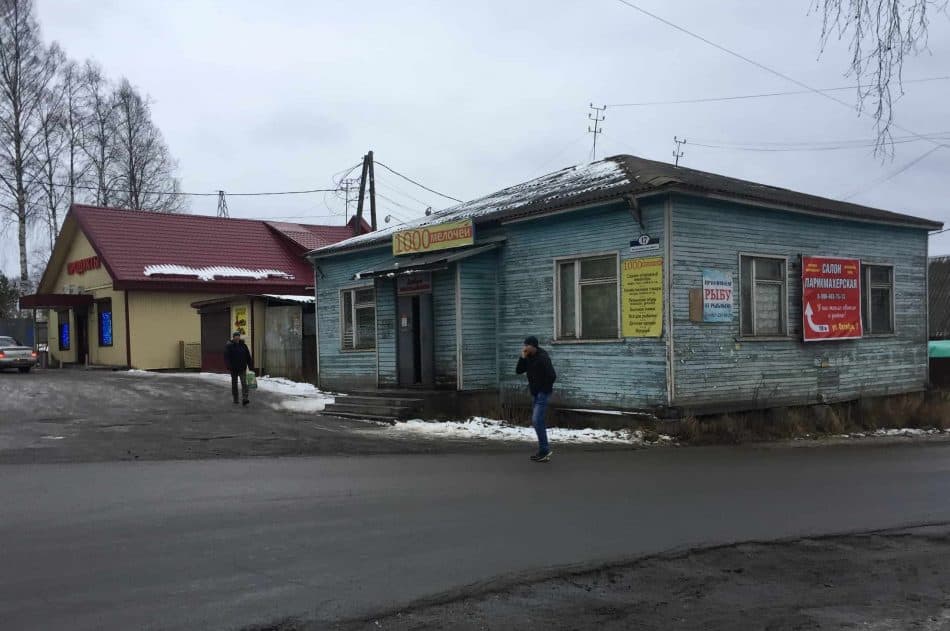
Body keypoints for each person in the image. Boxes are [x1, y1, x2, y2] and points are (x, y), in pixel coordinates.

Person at [515, 335, 557, 462]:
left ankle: (545, 450)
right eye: (525, 345)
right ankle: (543, 450)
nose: (525, 348)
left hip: (542, 393)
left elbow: (552, 376)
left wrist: (543, 389)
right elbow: (518, 371)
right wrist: (522, 358)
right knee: (539, 422)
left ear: (533, 346)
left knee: (536, 420)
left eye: (527, 345)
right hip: (535, 393)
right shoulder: (528, 357)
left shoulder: (543, 357)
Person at [224, 331, 254, 406]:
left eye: (238, 336)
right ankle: (235, 398)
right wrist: (228, 365)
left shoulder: (243, 346)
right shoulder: (229, 346)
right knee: (234, 384)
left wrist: (250, 366)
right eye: (235, 336)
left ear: (239, 337)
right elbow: (226, 357)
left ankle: (245, 399)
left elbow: (248, 357)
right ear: (233, 337)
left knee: (244, 383)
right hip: (233, 369)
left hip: (242, 368)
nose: (237, 337)